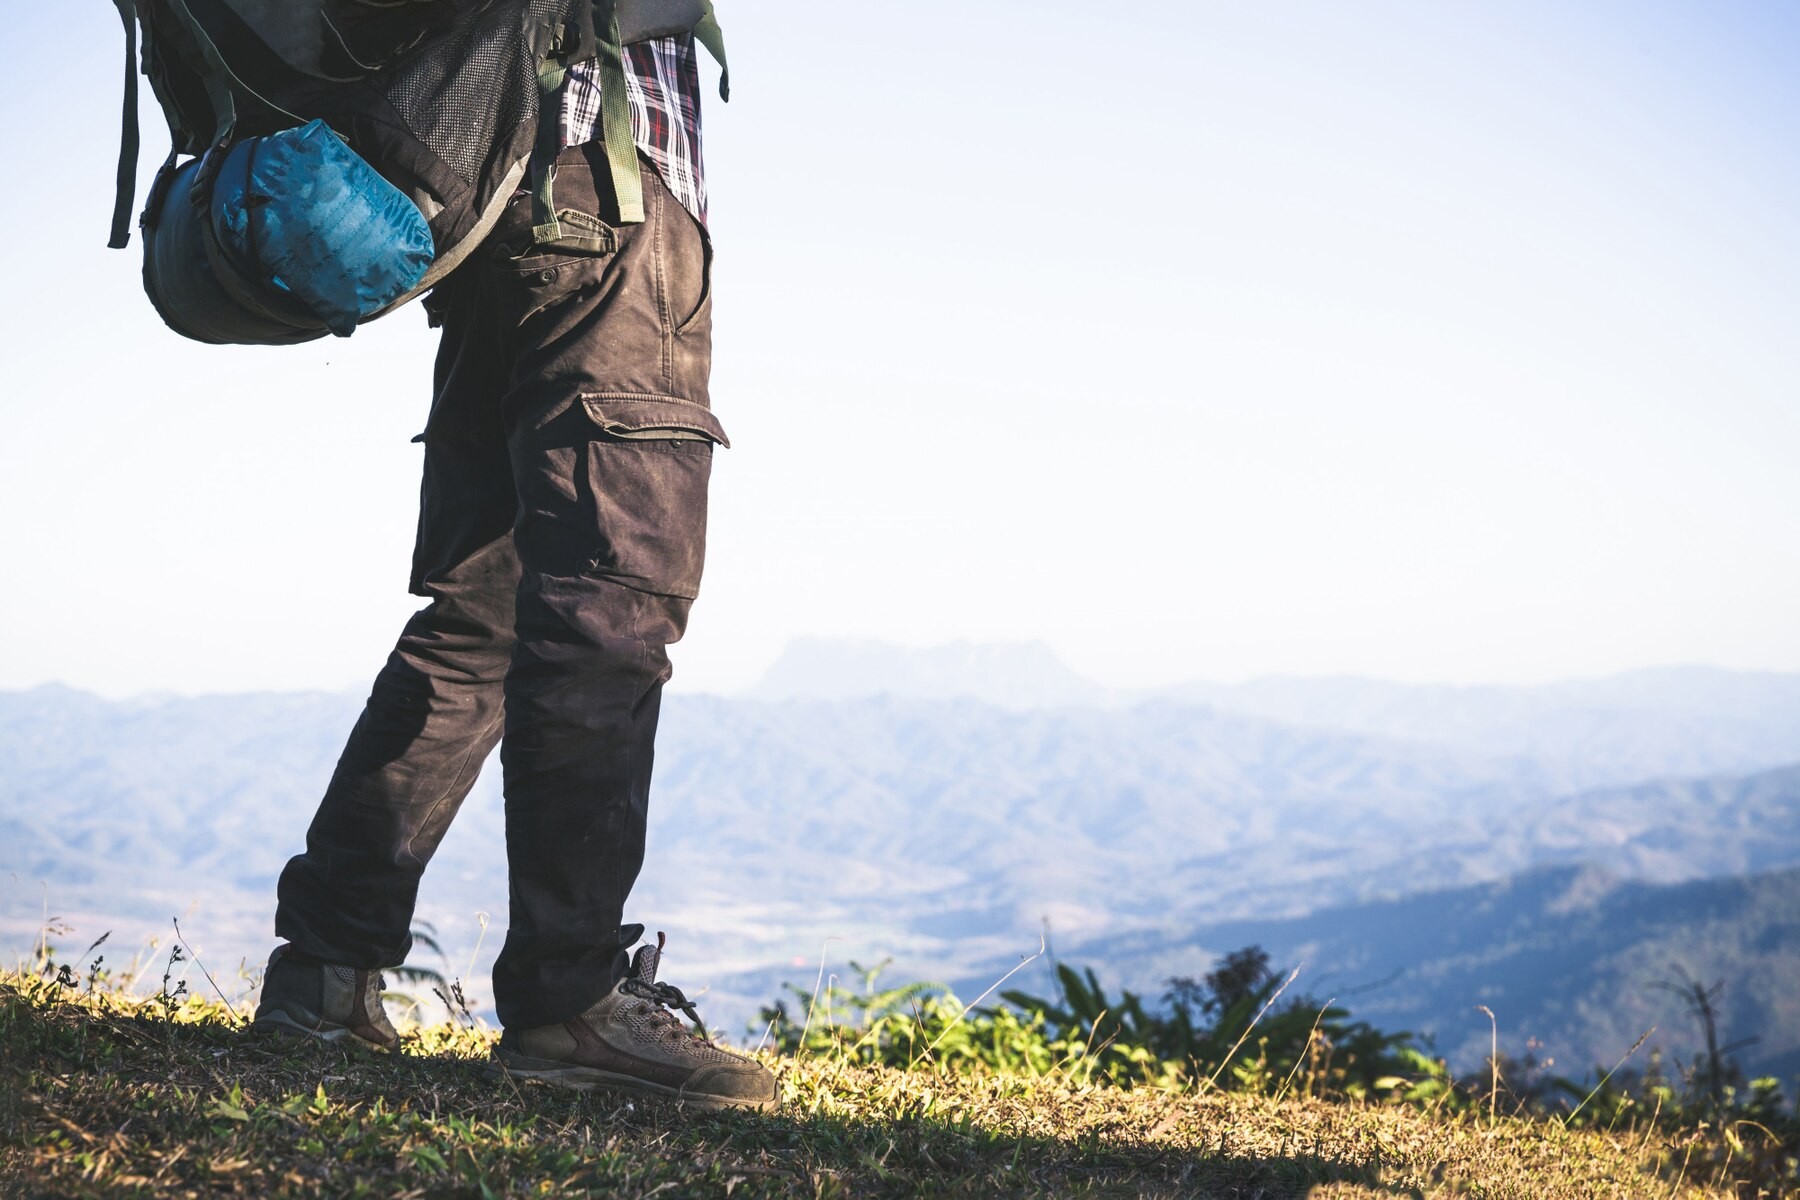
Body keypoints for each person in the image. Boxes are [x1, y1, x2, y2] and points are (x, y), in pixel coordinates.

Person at [249, 22, 776, 1111]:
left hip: (485, 207)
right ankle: (570, 1002)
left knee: (481, 615)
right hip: (606, 193)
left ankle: (327, 968)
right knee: (610, 609)